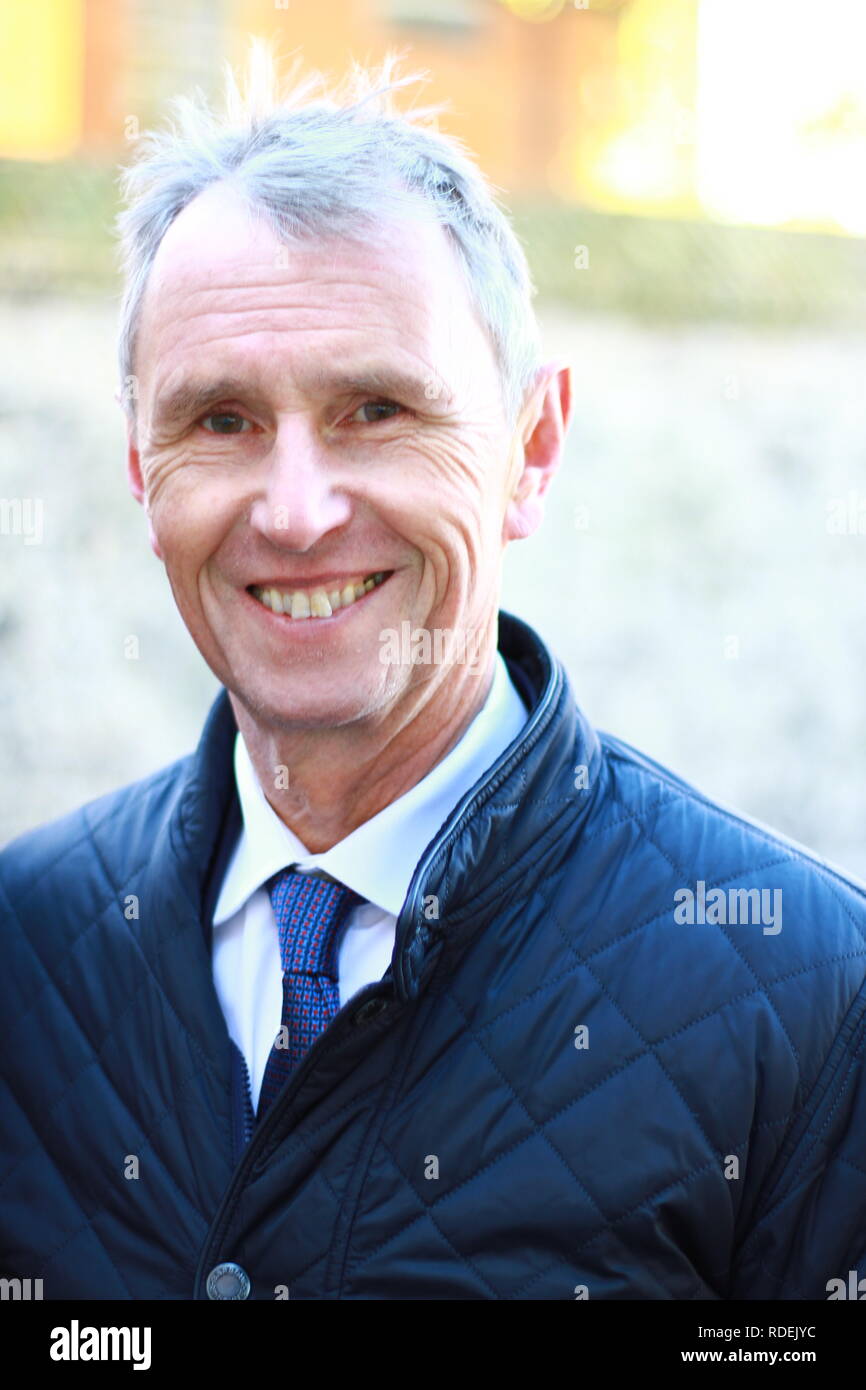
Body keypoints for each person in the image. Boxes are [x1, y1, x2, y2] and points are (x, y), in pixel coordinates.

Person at [2, 45, 865, 1302]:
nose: (294, 514)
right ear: (143, 471)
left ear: (531, 445)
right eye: (222, 421)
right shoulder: (23, 950)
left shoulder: (810, 1003)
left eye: (376, 411)